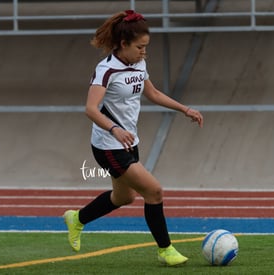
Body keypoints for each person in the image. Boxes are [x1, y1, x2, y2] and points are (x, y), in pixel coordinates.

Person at [63, 10, 203, 267]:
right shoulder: (106, 70)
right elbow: (91, 109)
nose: (144, 52)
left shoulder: (139, 63)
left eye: (146, 47)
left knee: (125, 198)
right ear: (123, 44)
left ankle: (77, 218)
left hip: (129, 142)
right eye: (139, 47)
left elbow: (153, 93)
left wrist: (185, 109)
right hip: (108, 146)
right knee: (154, 191)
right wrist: (114, 129)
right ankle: (165, 250)